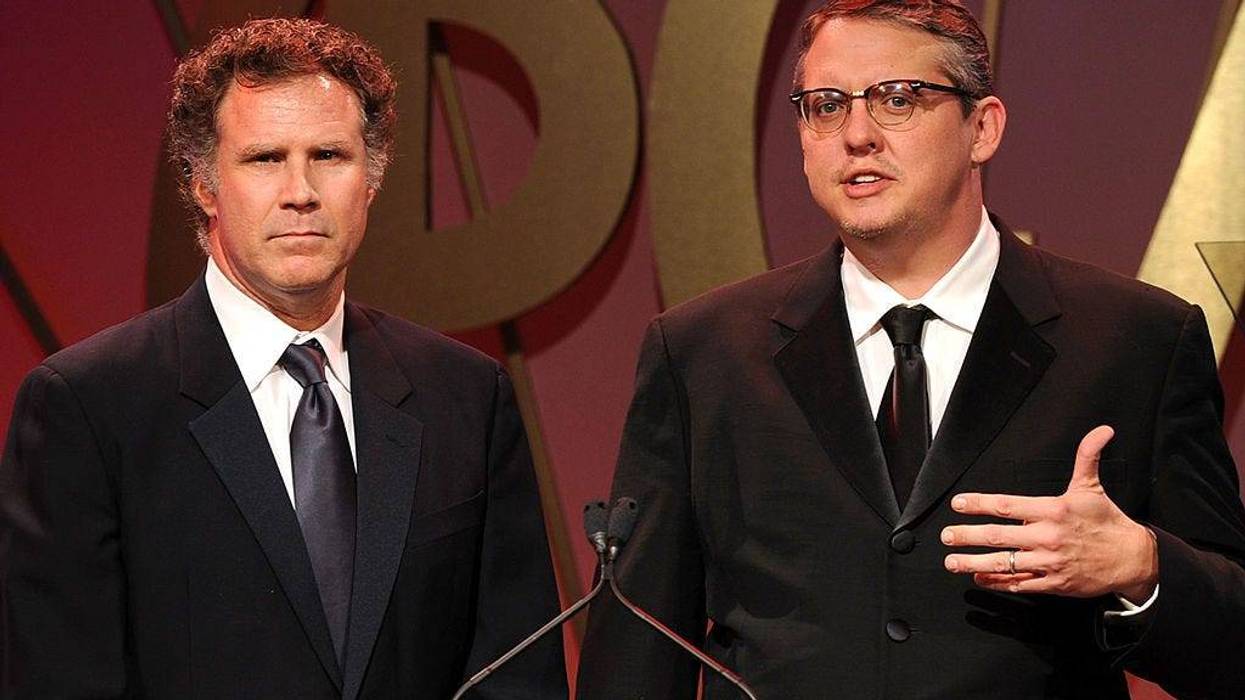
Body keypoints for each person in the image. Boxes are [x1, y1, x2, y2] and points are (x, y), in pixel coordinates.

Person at [577, 1, 1245, 697]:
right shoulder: (702, 353)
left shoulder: (1134, 342)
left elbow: (1233, 642)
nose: (856, 134)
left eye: (898, 99)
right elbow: (635, 646)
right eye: (825, 106)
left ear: (981, 127)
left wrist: (1142, 567)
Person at [0, 18, 565, 699]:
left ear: (371, 180)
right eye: (265, 158)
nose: (300, 191)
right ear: (204, 184)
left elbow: (515, 675)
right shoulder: (90, 406)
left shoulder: (466, 397)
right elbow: (61, 679)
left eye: (328, 156)